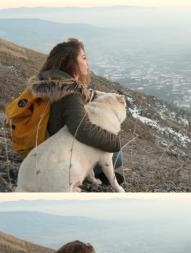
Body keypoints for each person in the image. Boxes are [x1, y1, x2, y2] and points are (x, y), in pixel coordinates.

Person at [29, 38, 124, 184]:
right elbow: (82, 129)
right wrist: (115, 141)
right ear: (71, 63)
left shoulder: (49, 83)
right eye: (84, 58)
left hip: (42, 147)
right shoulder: (70, 94)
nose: (87, 63)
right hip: (59, 157)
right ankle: (90, 174)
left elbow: (79, 102)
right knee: (117, 155)